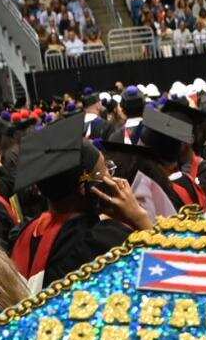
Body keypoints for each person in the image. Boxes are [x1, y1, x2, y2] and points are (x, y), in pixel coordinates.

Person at [10, 116, 151, 292]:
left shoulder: (26, 232)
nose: (111, 175)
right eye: (105, 169)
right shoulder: (105, 241)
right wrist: (141, 219)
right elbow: (163, 275)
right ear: (86, 187)